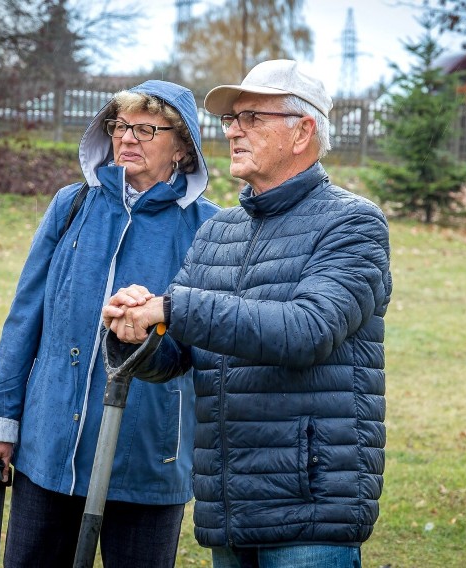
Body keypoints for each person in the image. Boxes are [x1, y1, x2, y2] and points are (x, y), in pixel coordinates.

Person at [102, 60, 392, 568]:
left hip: (310, 503)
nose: (233, 130)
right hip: (229, 502)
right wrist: (136, 332)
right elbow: (177, 354)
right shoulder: (219, 231)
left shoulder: (354, 225)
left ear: (302, 131)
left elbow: (307, 330)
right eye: (232, 119)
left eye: (252, 117)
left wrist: (170, 307)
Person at [0, 80, 220, 567]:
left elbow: (210, 347)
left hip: (149, 455)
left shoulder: (210, 230)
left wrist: (153, 326)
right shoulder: (71, 207)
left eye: (147, 129)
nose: (128, 138)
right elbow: (26, 317)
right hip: (50, 450)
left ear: (183, 147)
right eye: (120, 125)